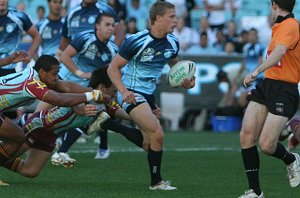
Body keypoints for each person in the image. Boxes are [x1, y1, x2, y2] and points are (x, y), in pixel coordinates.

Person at [0, 68, 147, 182]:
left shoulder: (106, 103)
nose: (116, 95)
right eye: (114, 90)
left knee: (30, 171)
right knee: (7, 154)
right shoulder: (84, 91)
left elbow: (125, 114)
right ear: (103, 87)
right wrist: (80, 109)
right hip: (39, 126)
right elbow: (70, 102)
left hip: (51, 134)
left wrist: (144, 113)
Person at [107, 1, 195, 190]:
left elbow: (176, 70)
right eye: (171, 16)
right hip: (131, 93)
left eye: (176, 16)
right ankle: (156, 182)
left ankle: (107, 123)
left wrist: (187, 81)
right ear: (158, 18)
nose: (176, 20)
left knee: (150, 143)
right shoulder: (136, 40)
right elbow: (113, 68)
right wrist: (123, 91)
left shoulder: (173, 42)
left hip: (148, 95)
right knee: (158, 133)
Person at [0, 55, 107, 169]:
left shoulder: (33, 72)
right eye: (54, 73)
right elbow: (60, 100)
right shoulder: (32, 83)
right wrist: (93, 95)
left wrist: (94, 92)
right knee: (17, 136)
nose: (56, 77)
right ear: (42, 72)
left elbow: (66, 86)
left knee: (18, 136)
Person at [239, 0, 300, 197]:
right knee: (246, 136)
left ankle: (291, 159)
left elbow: (280, 52)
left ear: (274, 4)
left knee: (266, 145)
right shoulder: (279, 25)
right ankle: (255, 192)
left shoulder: (291, 25)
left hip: (285, 89)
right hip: (268, 86)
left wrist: (256, 70)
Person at [53, 12, 118, 161]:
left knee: (92, 112)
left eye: (113, 25)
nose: (111, 28)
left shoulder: (113, 49)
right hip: (64, 82)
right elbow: (64, 56)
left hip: (85, 88)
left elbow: (112, 71)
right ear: (97, 26)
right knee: (51, 114)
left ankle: (64, 149)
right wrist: (80, 73)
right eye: (107, 24)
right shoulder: (85, 38)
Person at [56, 0, 124, 60]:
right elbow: (65, 39)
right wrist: (58, 57)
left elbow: (119, 33)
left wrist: (111, 54)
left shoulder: (106, 10)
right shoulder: (72, 13)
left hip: (98, 60)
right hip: (75, 60)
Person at [0, 0, 41, 75]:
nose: (2, 1)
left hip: (10, 70)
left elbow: (36, 36)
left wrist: (30, 54)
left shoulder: (19, 17)